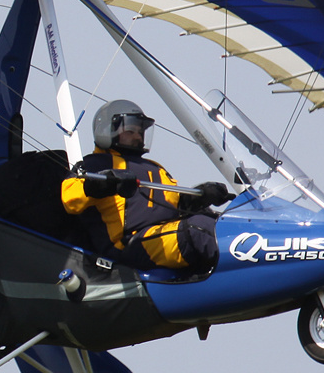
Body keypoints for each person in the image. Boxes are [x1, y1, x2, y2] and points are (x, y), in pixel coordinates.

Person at [60, 100, 230, 273]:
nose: (138, 137)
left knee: (219, 222)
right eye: (131, 131)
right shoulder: (94, 164)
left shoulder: (155, 167)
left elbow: (174, 204)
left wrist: (201, 196)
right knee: (198, 229)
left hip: (162, 234)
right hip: (128, 245)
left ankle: (235, 271)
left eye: (141, 132)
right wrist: (104, 182)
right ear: (107, 130)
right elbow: (70, 199)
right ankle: (242, 265)